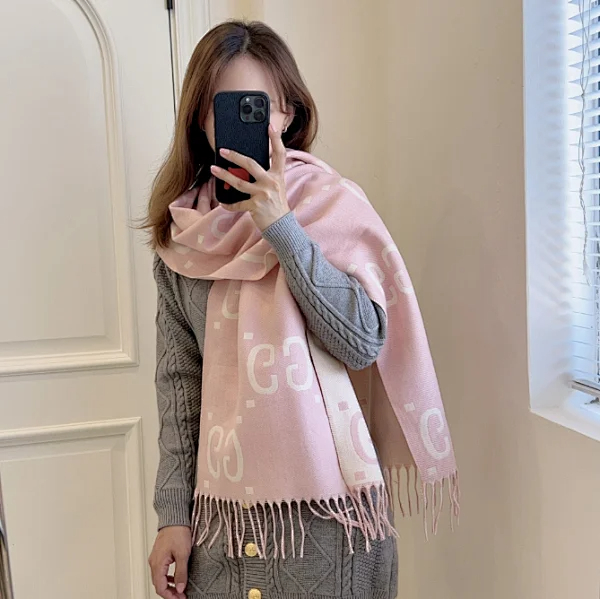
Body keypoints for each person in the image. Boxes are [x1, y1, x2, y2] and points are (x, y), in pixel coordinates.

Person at [143, 18, 458, 599]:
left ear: (287, 112)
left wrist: (281, 227)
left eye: (256, 105)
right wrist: (172, 515)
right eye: (221, 106)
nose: (239, 121)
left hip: (332, 525)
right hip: (221, 529)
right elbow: (179, 385)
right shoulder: (183, 235)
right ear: (200, 120)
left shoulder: (332, 206)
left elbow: (363, 341)